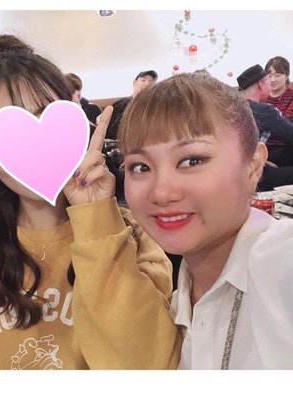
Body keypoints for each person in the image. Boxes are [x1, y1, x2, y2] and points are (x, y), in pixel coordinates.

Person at [0, 34, 181, 370]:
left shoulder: (134, 237)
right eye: (9, 132)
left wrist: (95, 218)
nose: (34, 149)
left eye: (45, 117)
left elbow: (149, 365)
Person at [118, 72, 293, 369]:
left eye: (192, 160)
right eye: (140, 167)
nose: (161, 193)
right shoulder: (174, 303)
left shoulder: (278, 261)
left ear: (253, 166)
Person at [237, 64, 293, 186]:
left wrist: (264, 161)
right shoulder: (263, 111)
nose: (272, 82)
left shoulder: (233, 106)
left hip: (235, 167)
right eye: (269, 79)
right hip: (252, 175)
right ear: (261, 85)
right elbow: (290, 133)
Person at [107, 70, 158, 140]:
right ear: (134, 83)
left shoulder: (155, 107)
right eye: (143, 80)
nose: (147, 84)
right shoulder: (118, 104)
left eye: (151, 82)